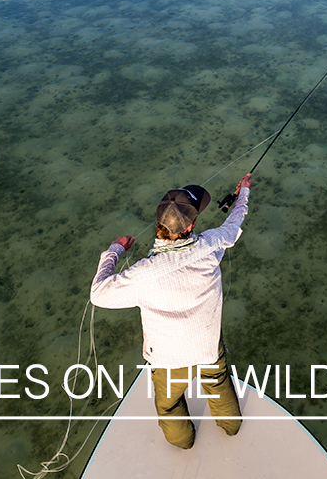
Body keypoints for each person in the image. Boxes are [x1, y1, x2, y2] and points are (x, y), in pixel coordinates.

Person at [89, 173, 252, 449]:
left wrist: (114, 250)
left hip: (167, 361)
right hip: (208, 349)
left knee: (169, 404)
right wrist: (243, 193)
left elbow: (98, 294)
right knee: (219, 383)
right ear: (190, 227)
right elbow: (234, 223)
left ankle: (184, 442)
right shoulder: (211, 246)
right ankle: (231, 426)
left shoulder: (142, 274)